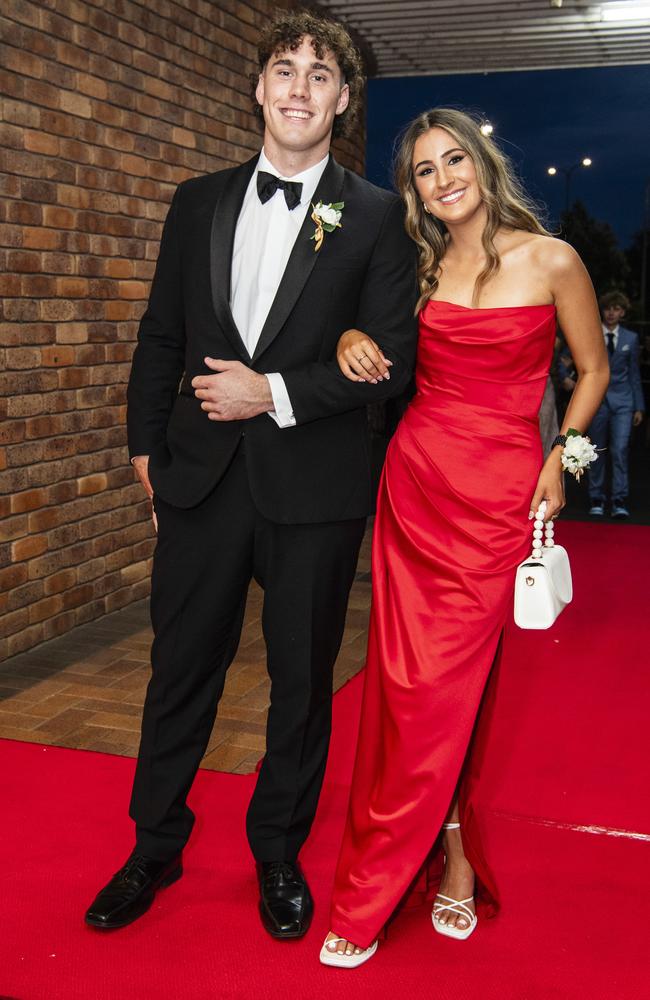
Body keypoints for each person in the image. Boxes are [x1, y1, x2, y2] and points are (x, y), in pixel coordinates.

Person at [84, 10, 418, 938]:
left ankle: (277, 853)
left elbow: (392, 359)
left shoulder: (379, 218)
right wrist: (145, 452)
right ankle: (154, 846)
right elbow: (161, 336)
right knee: (179, 670)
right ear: (260, 88)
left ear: (343, 100)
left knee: (302, 681)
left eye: (320, 75)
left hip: (314, 488)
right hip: (198, 481)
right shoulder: (196, 201)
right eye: (285, 70)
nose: (300, 89)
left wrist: (269, 392)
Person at [320, 108, 609, 967]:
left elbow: (591, 369)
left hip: (502, 497)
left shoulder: (552, 259)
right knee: (407, 690)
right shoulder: (410, 266)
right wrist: (345, 336)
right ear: (412, 188)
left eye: (454, 160)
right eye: (422, 170)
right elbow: (353, 329)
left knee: (459, 690)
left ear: (482, 163)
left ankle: (448, 856)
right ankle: (407, 865)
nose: (443, 178)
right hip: (416, 489)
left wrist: (564, 455)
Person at [585, 291, 644, 518]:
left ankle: (619, 499)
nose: (612, 313)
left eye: (617, 309)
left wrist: (639, 406)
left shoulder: (630, 338)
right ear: (603, 310)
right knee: (596, 451)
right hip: (597, 401)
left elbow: (634, 375)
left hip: (623, 402)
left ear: (623, 312)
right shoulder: (592, 335)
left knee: (620, 450)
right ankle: (596, 498)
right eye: (609, 308)